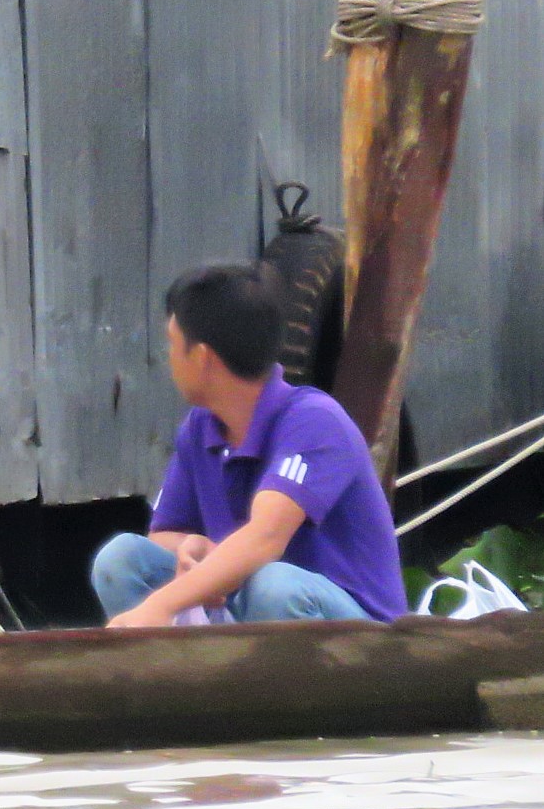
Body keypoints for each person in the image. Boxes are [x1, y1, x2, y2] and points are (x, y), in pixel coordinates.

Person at [93, 262, 405, 627]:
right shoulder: (200, 428)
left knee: (274, 587)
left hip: (360, 633)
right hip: (247, 609)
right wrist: (191, 547)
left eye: (173, 345)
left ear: (203, 358)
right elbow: (162, 535)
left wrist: (159, 606)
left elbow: (266, 536)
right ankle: (168, 665)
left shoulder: (316, 421)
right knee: (122, 559)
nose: (169, 359)